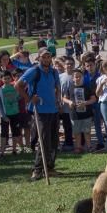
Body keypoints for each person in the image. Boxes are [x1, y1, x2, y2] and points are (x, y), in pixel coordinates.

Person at [20, 49, 62, 178]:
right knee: (44, 141)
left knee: (54, 141)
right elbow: (18, 85)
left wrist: (58, 99)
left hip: (53, 110)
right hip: (40, 110)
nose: (47, 59)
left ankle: (49, 168)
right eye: (44, 57)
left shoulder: (54, 72)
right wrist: (29, 98)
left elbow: (57, 88)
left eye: (49, 56)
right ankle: (37, 169)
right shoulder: (34, 71)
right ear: (39, 58)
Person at [0, 71, 23, 155]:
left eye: (8, 78)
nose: (7, 80)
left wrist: (15, 99)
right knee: (4, 133)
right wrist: (3, 115)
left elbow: (19, 97)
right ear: (2, 79)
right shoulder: (0, 90)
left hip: (15, 113)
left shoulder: (15, 87)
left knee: (16, 132)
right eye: (5, 78)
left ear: (11, 78)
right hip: (5, 115)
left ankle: (14, 149)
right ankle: (2, 152)